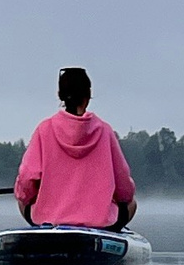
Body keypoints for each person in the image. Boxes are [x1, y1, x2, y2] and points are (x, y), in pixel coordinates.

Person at [15, 67, 137, 233]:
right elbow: (124, 189)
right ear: (88, 96)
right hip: (101, 221)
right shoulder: (105, 130)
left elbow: (27, 179)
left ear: (61, 95)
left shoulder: (44, 129)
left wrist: (24, 194)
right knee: (132, 204)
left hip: (50, 221)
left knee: (23, 201)